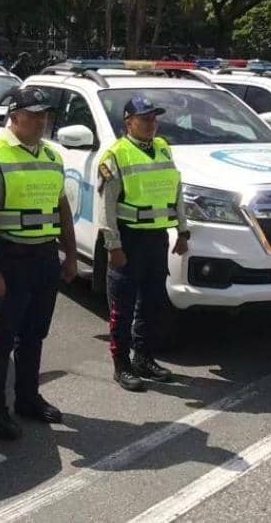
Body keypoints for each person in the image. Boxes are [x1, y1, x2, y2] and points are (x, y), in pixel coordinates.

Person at [0, 87, 78, 440]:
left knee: (34, 335)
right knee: (1, 340)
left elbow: (62, 210)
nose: (42, 121)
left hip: (44, 258)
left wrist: (71, 255)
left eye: (45, 115)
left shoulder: (51, 156)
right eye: (33, 115)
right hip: (9, 260)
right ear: (14, 117)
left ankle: (28, 399)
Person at [97, 96, 190, 392]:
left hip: (157, 239)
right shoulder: (115, 155)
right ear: (129, 122)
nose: (151, 124)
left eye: (154, 118)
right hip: (128, 238)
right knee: (122, 307)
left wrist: (183, 231)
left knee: (152, 303)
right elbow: (107, 207)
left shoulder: (162, 148)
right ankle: (121, 364)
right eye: (145, 118)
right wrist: (113, 245)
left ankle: (144, 357)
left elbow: (176, 191)